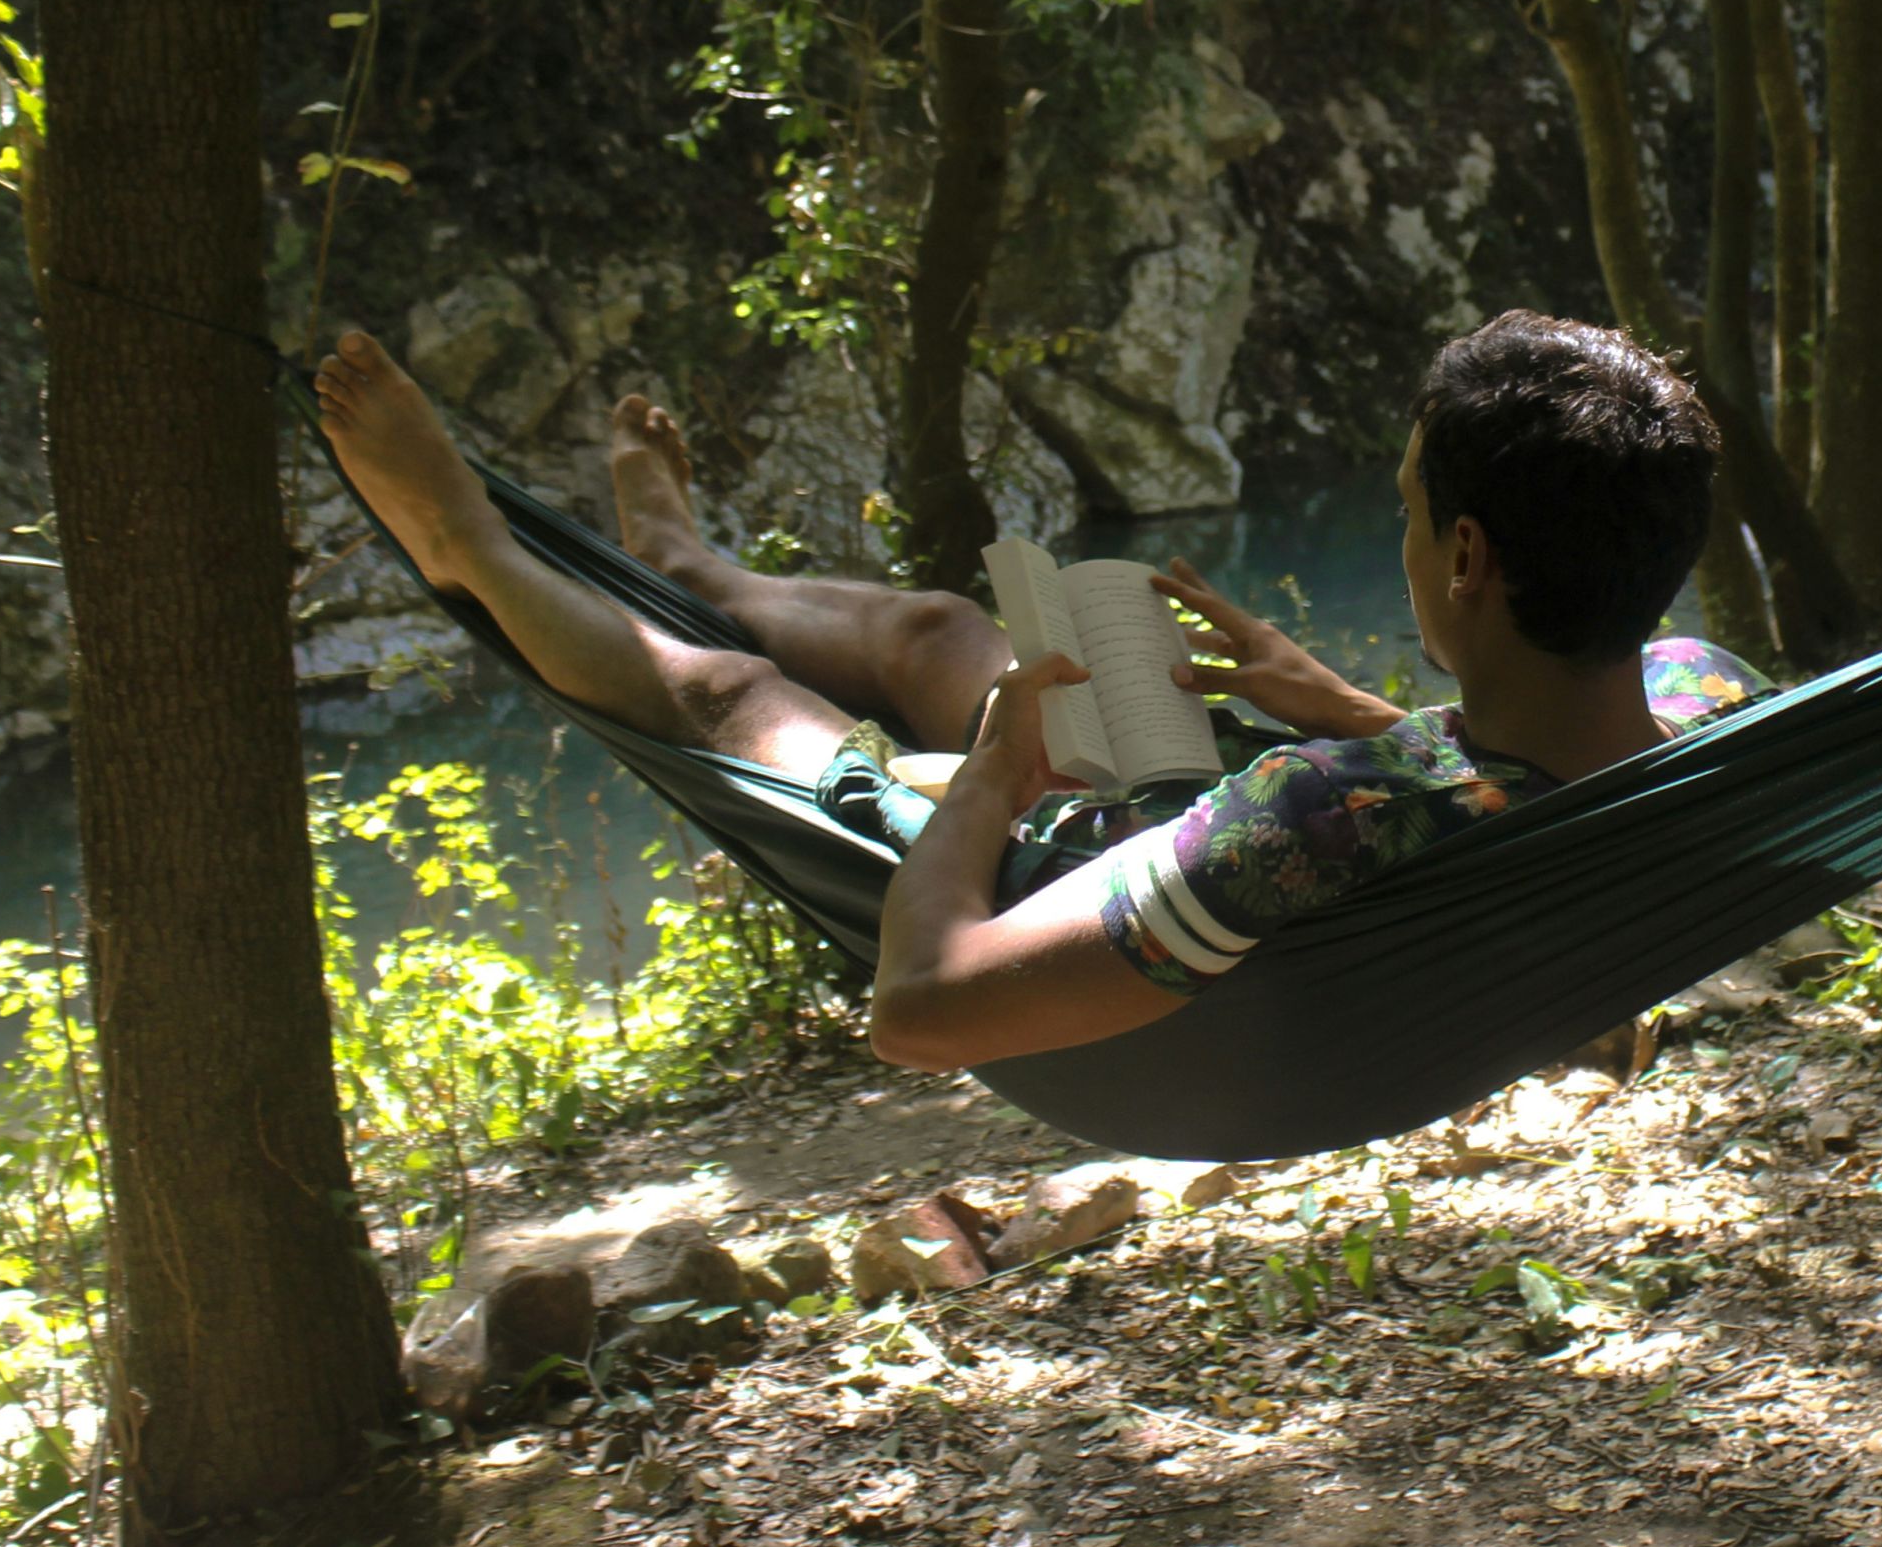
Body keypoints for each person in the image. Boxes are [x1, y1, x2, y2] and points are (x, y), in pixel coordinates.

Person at [314, 310, 1764, 1073]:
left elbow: (922, 1008)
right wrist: (1337, 700)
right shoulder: (1710, 700)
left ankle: (476, 548)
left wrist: (1000, 780)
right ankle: (687, 557)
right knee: (947, 632)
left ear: (1465, 555)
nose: (1399, 542)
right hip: (1258, 813)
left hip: (1049, 869)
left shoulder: (1313, 820)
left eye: (1402, 513)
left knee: (730, 703)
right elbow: (1510, 794)